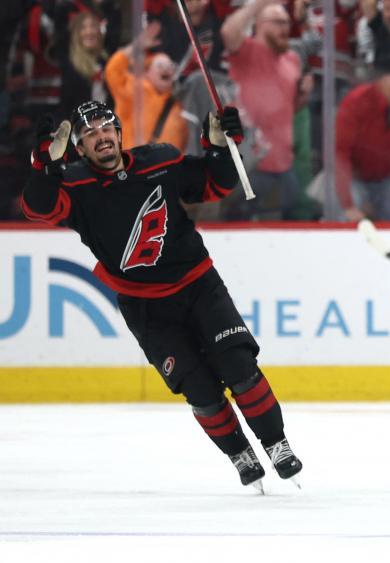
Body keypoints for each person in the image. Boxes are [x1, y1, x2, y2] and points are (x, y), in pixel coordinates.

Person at [19, 101, 303, 491]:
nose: (100, 137)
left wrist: (220, 146)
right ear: (80, 149)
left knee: (238, 366)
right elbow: (37, 207)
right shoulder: (75, 185)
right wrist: (44, 166)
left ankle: (277, 444)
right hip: (146, 307)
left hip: (199, 286)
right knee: (199, 388)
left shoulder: (158, 161)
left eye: (105, 128)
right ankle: (239, 453)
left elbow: (215, 184)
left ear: (119, 134)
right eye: (89, 134)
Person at [221, 0, 304, 220]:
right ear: (259, 24)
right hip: (250, 162)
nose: (285, 27)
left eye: (287, 22)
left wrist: (302, 96)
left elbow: (287, 107)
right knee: (237, 222)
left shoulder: (292, 59)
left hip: (283, 161)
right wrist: (260, 4)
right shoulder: (247, 52)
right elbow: (229, 31)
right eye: (277, 22)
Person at [337, 53, 390, 222]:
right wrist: (347, 204)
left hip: (385, 179)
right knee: (346, 222)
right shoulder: (356, 102)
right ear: (386, 79)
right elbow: (340, 154)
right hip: (352, 179)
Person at [104, 22, 189, 151]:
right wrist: (136, 46)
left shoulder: (178, 103)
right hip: (135, 167)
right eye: (160, 66)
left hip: (170, 169)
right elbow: (113, 71)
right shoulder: (135, 91)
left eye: (170, 66)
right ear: (147, 72)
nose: (166, 70)